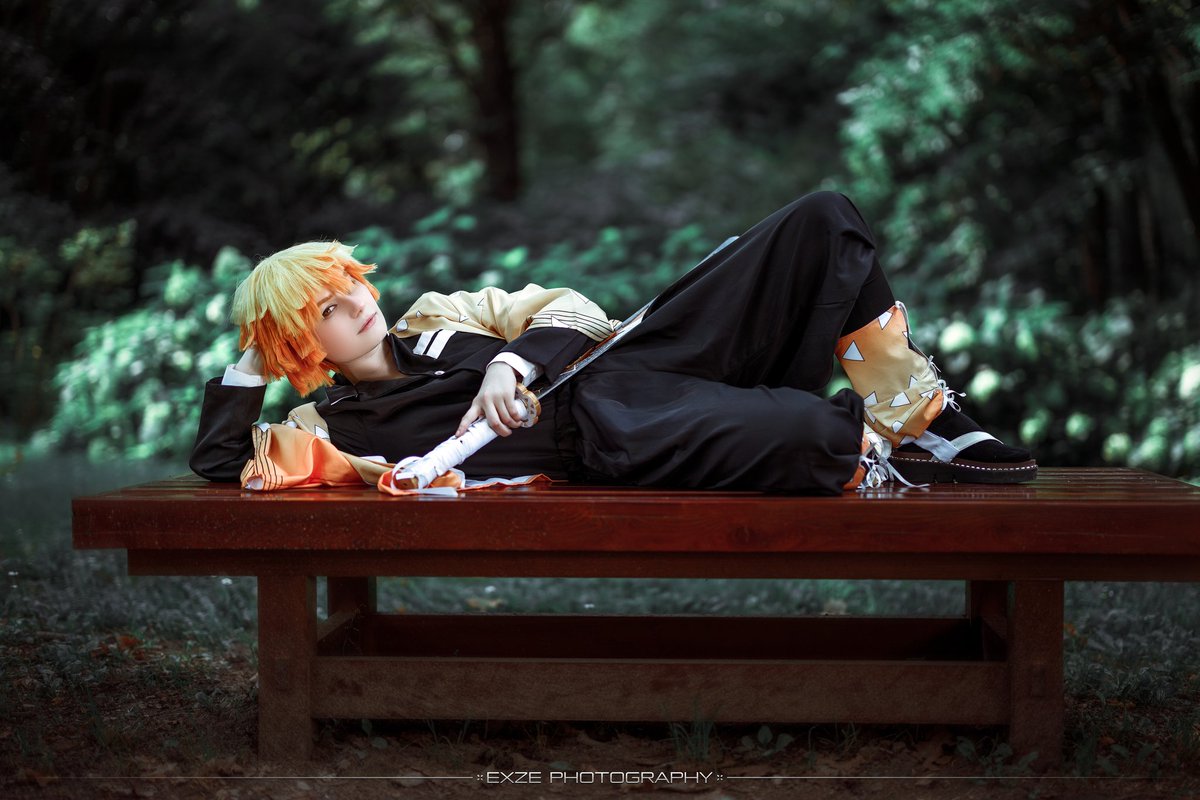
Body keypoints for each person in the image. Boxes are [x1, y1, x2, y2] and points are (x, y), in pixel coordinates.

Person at [189, 190, 1036, 494]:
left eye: (347, 283)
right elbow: (225, 464)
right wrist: (256, 356)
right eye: (323, 311)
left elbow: (576, 310)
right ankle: (882, 446)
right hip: (620, 434)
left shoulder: (437, 316)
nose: (353, 304)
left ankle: (921, 417)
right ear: (300, 344)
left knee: (822, 219)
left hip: (638, 353)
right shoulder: (331, 431)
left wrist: (511, 362)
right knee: (819, 433)